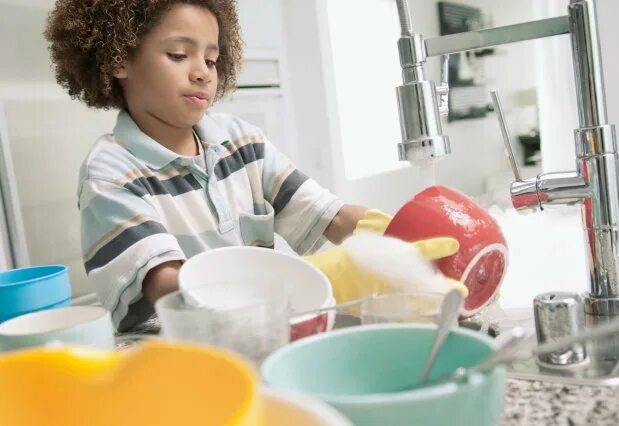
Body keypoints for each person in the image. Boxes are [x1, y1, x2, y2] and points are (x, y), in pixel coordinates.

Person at [44, 0, 461, 331]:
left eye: (211, 60)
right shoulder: (110, 173)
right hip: (181, 361)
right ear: (119, 59)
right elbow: (167, 283)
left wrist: (395, 238)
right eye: (178, 54)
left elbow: (326, 215)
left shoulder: (240, 142)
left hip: (267, 335)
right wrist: (309, 279)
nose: (202, 73)